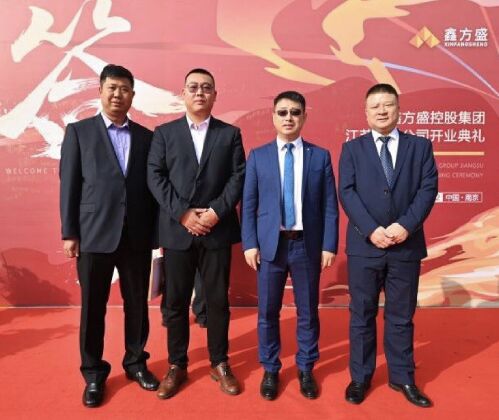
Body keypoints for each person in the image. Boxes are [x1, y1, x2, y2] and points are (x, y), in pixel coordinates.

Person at [59, 64, 159, 408]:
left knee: (137, 305)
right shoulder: (79, 132)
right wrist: (69, 232)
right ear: (100, 91)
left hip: (136, 236)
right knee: (93, 308)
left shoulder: (146, 137)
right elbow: (69, 185)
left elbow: (152, 190)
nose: (118, 94)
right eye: (112, 88)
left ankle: (136, 363)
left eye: (125, 89)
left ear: (133, 95)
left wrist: (155, 234)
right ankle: (93, 373)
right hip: (93, 234)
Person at [147, 68, 245, 399]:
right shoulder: (164, 133)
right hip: (178, 231)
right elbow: (155, 176)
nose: (200, 92)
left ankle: (220, 362)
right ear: (183, 94)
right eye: (193, 87)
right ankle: (177, 364)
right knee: (175, 303)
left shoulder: (230, 134)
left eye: (206, 88)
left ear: (215, 95)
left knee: (217, 301)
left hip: (217, 230)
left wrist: (216, 212)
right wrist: (184, 213)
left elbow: (238, 177)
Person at [338, 83, 438, 408]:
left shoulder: (420, 147)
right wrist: (371, 230)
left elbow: (427, 189)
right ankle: (360, 377)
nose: (382, 111)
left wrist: (405, 226)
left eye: (388, 105)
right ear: (366, 112)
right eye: (375, 106)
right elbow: (347, 192)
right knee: (362, 314)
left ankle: (403, 377)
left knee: (401, 315)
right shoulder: (352, 149)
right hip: (364, 247)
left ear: (398, 108)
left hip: (405, 247)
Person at [241, 91, 339, 400]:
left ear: (304, 117)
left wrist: (329, 245)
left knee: (308, 312)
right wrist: (249, 243)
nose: (288, 117)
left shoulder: (319, 156)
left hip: (306, 246)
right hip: (270, 247)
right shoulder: (258, 156)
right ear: (273, 116)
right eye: (282, 112)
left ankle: (306, 368)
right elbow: (249, 204)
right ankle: (271, 368)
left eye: (295, 112)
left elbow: (329, 206)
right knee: (267, 312)